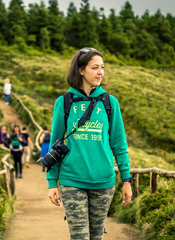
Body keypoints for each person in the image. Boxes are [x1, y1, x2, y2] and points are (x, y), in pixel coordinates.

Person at [45, 47, 132, 239]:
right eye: (94, 67)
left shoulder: (110, 103)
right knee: (80, 237)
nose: (100, 72)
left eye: (102, 67)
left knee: (96, 237)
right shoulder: (64, 102)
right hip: (72, 181)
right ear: (80, 70)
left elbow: (119, 144)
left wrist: (126, 180)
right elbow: (55, 145)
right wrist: (52, 182)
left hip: (104, 182)